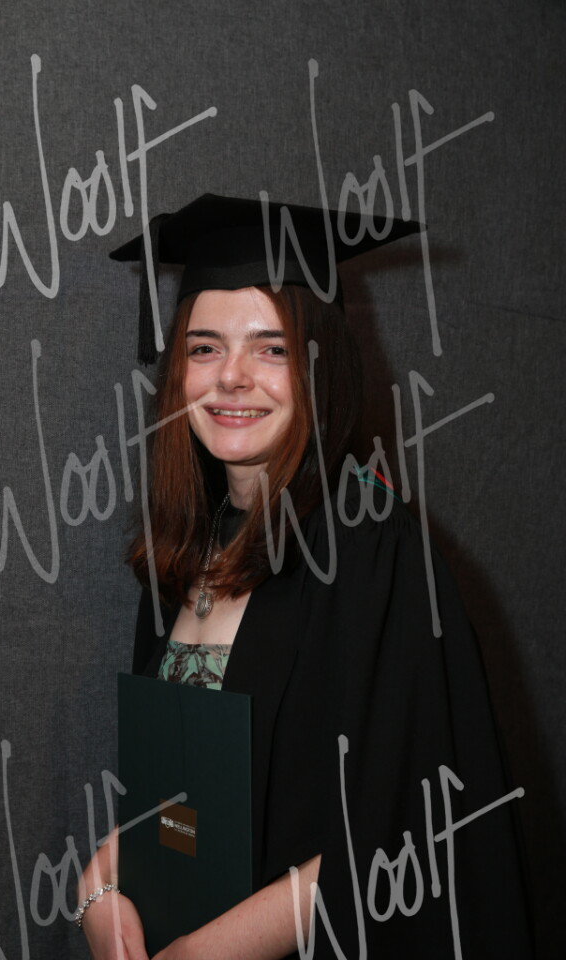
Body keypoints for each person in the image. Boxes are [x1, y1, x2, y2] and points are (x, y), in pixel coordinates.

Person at [76, 195, 535, 959]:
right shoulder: (183, 553)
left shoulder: (371, 545)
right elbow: (182, 793)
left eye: (272, 348)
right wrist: (101, 885)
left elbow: (407, 825)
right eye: (204, 347)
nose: (232, 377)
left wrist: (205, 953)